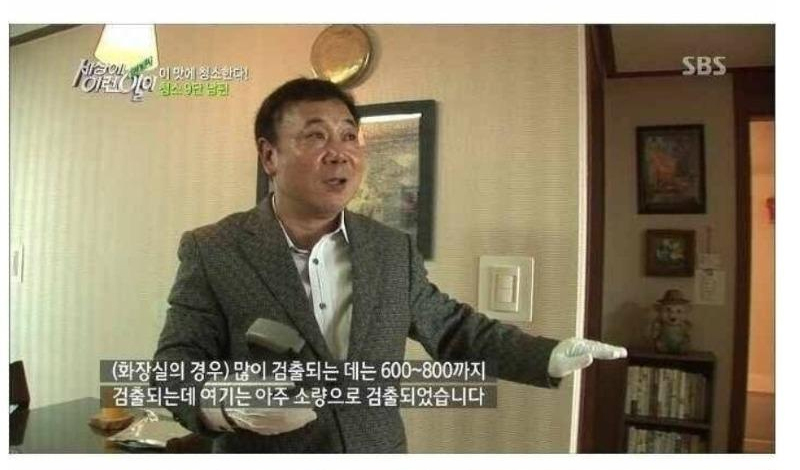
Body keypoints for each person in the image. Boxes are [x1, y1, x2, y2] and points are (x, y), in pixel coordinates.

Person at [152, 77, 627, 453]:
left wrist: (546, 355)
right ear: (269, 155)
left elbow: (454, 329)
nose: (340, 152)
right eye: (315, 136)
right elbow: (173, 368)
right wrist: (225, 405)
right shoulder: (214, 248)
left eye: (349, 136)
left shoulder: (390, 249)